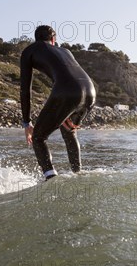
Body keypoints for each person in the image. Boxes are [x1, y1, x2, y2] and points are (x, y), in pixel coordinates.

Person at [20, 26, 96, 180]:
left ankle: (51, 179)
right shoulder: (66, 51)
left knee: (38, 138)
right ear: (53, 39)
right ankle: (78, 174)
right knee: (69, 131)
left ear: (36, 38)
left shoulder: (29, 51)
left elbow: (25, 90)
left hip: (67, 90)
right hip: (90, 91)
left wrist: (27, 123)